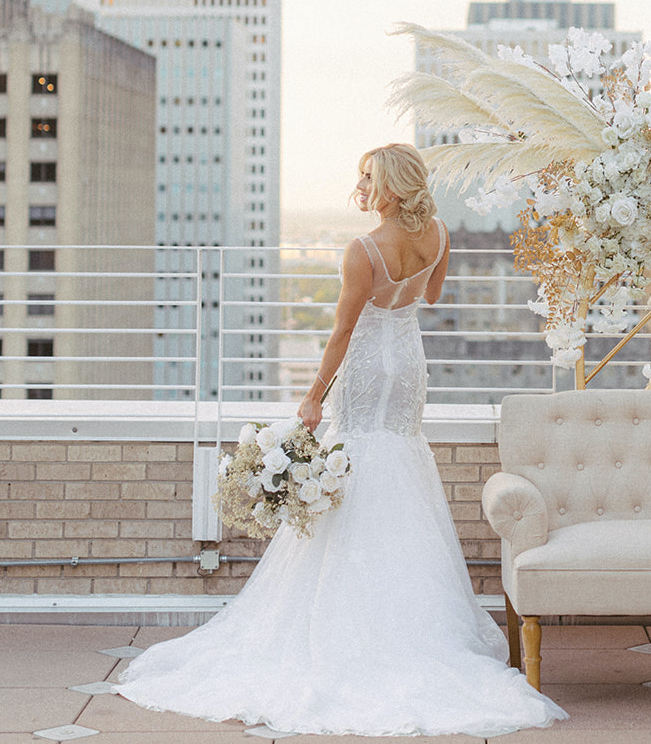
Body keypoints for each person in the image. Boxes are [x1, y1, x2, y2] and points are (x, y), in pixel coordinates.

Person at [120, 143, 566, 736]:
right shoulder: (436, 231)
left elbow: (341, 332)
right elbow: (431, 297)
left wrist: (311, 398)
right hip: (408, 362)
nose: (360, 186)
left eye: (368, 178)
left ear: (389, 188)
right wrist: (405, 290)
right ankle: (412, 627)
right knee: (399, 457)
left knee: (355, 457)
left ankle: (347, 627)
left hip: (366, 364)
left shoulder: (361, 251)